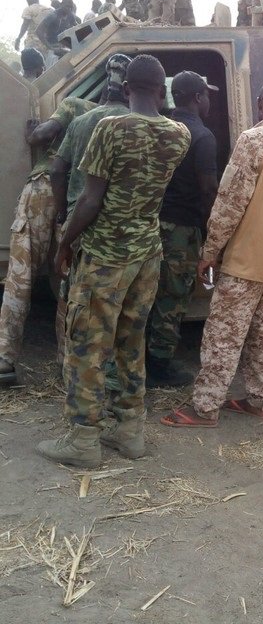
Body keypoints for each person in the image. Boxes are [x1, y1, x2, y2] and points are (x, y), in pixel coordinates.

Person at [36, 55, 190, 467]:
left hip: (105, 255)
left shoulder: (109, 127)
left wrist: (64, 243)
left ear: (126, 90)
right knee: (130, 341)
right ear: (162, 91)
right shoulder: (179, 134)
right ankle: (130, 430)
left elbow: (89, 199)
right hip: (146, 254)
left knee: (87, 346)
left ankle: (84, 439)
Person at [160, 80, 263, 427]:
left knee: (222, 337)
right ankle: (259, 400)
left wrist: (210, 251)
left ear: (260, 104)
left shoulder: (253, 140)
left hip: (243, 261)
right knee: (262, 333)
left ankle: (204, 408)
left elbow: (230, 200)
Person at [0, 96, 97, 384]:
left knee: (20, 276)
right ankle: (67, 365)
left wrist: (32, 133)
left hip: (44, 186)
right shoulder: (116, 117)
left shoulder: (74, 104)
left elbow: (41, 135)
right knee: (67, 280)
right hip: (78, 197)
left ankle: (4, 359)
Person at [50, 55, 132, 369]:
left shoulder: (81, 121)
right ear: (127, 87)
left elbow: (58, 170)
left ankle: (68, 365)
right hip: (121, 229)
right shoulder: (136, 123)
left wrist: (61, 213)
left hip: (77, 224)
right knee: (117, 303)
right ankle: (109, 370)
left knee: (71, 297)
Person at [145, 71, 218, 385]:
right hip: (182, 231)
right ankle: (159, 367)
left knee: (148, 294)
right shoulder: (202, 136)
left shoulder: (158, 127)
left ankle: (139, 358)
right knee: (172, 299)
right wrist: (214, 233)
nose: (209, 100)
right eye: (207, 95)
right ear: (198, 97)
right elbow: (208, 190)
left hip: (151, 224)